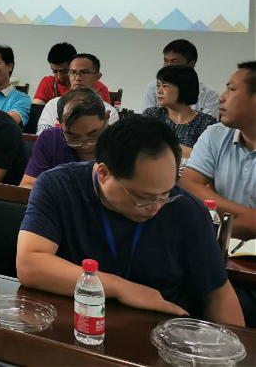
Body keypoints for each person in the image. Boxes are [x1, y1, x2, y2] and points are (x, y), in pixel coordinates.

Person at [17, 116, 244, 325]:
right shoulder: (58, 187)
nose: (156, 207)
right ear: (103, 173)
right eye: (143, 198)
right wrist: (122, 288)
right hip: (74, 321)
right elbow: (30, 264)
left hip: (159, 332)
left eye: (165, 194)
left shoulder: (188, 211)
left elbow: (219, 294)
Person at [180, 61, 256, 241]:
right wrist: (250, 217)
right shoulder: (216, 134)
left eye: (231, 89)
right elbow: (189, 184)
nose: (221, 97)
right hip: (223, 244)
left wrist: (220, 225)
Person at [20, 88, 108, 189]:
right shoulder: (50, 139)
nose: (85, 146)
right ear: (60, 123)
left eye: (93, 135)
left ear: (106, 119)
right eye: (73, 137)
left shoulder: (119, 144)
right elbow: (27, 185)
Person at [142, 65, 217, 156]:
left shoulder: (206, 123)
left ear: (183, 88)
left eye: (165, 86)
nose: (159, 91)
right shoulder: (151, 115)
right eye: (158, 86)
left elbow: (208, 157)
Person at [37, 54, 118, 133]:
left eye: (84, 72)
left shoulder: (109, 112)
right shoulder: (53, 105)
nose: (77, 78)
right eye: (73, 72)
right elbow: (42, 137)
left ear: (97, 77)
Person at [139, 40, 220, 118]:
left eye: (175, 62)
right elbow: (144, 122)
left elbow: (210, 126)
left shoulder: (210, 94)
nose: (168, 66)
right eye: (166, 61)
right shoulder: (152, 87)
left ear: (191, 64)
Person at [32, 42, 112, 105]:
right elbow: (36, 108)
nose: (59, 76)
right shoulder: (48, 82)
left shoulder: (99, 88)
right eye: (55, 71)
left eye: (64, 71)